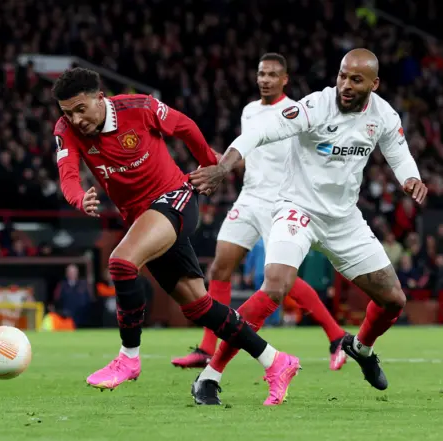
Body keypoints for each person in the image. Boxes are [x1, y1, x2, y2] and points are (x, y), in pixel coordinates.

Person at [190, 49, 428, 403]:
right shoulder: (315, 107)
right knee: (274, 287)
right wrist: (224, 168)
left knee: (393, 299)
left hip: (344, 219)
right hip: (297, 210)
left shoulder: (384, 115)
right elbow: (260, 132)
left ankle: (360, 348)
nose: (345, 85)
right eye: (342, 76)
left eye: (355, 80)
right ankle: (210, 376)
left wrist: (411, 178)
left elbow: (398, 151)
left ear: (374, 84)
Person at [52, 67, 300, 405]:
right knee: (199, 307)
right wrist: (79, 197)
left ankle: (128, 357)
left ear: (100, 98)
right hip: (144, 218)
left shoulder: (138, 107)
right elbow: (67, 176)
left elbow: (184, 126)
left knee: (122, 263)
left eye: (81, 109)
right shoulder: (65, 129)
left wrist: (208, 164)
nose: (76, 119)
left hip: (175, 197)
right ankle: (276, 360)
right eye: (68, 112)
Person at [172, 54, 348, 379]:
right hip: (248, 197)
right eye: (261, 74)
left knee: (284, 281)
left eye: (272, 75)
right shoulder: (249, 111)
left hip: (279, 202)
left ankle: (336, 336)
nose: (265, 79)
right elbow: (248, 156)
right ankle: (207, 348)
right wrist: (216, 162)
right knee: (220, 267)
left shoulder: (297, 112)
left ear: (285, 80)